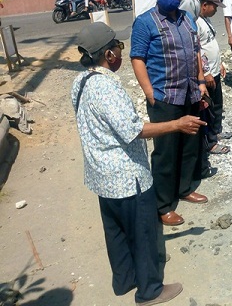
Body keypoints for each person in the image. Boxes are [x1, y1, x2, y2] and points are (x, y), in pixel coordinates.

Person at [72, 22, 199, 305]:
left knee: (116, 231)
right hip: (128, 177)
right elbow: (133, 130)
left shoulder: (80, 82)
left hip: (101, 175)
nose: (119, 50)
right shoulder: (106, 87)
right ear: (109, 55)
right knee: (144, 233)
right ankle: (150, 290)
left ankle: (125, 279)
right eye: (118, 46)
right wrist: (177, 124)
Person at [130, 0, 209, 227]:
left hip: (189, 92)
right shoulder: (145, 22)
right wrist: (149, 93)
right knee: (165, 153)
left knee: (189, 146)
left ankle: (184, 188)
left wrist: (200, 81)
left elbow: (196, 52)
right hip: (164, 96)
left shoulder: (187, 20)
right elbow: (138, 58)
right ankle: (163, 205)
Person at [196, 0, 232, 155]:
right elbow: (197, 50)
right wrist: (205, 72)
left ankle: (216, 132)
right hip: (207, 74)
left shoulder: (206, 20)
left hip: (215, 70)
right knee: (208, 109)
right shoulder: (196, 22)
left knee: (218, 104)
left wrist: (219, 64)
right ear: (204, 5)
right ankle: (210, 142)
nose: (216, 10)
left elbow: (210, 44)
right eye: (214, 6)